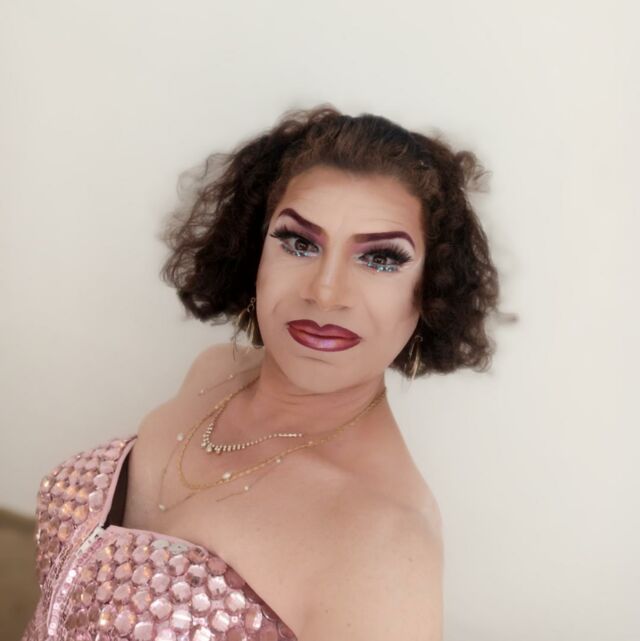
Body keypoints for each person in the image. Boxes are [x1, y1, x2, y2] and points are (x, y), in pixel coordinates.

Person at [22, 104, 502, 641]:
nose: (325, 292)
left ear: (431, 292)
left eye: (381, 259)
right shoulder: (213, 372)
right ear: (254, 252)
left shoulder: (385, 543)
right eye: (299, 243)